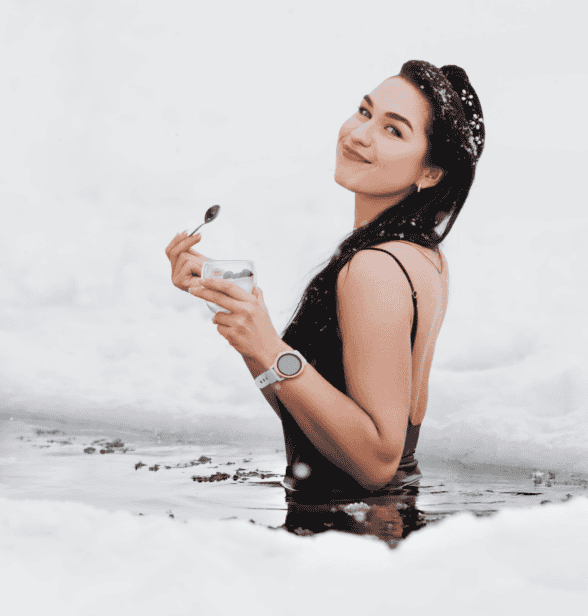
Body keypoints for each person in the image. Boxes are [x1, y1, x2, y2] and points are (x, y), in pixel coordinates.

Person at [164, 60, 485, 544]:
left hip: (349, 541)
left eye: (393, 131)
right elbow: (324, 426)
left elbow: (375, 461)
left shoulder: (376, 269)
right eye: (364, 111)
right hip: (377, 530)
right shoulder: (420, 255)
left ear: (431, 170)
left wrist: (272, 349)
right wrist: (249, 330)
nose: (359, 134)